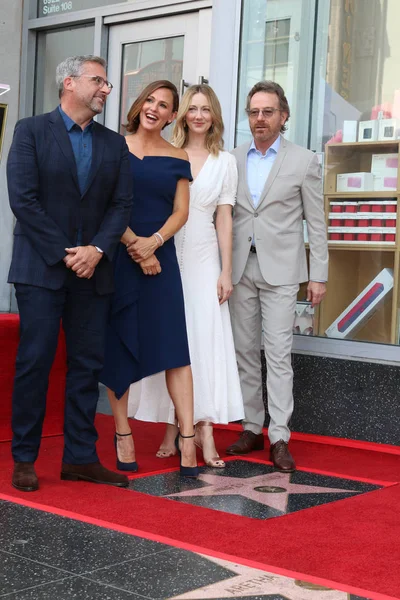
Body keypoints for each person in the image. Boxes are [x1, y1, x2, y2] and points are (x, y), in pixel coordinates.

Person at [7, 55, 133, 492]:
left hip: (93, 271)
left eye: (107, 83)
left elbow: (121, 206)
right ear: (69, 83)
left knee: (86, 366)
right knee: (35, 362)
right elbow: (23, 200)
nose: (105, 89)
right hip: (41, 268)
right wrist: (68, 254)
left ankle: (80, 458)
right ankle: (25, 457)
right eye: (98, 80)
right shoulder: (30, 131)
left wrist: (96, 249)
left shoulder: (114, 144)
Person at [128, 84, 244, 468]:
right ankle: (172, 424)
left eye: (204, 109)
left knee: (203, 342)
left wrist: (226, 270)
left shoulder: (225, 162)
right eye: (191, 108)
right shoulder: (167, 153)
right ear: (181, 115)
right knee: (172, 340)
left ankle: (204, 429)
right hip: (166, 253)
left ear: (214, 116)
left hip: (203, 256)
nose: (197, 115)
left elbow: (224, 217)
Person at [226, 81, 328, 472]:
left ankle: (280, 435)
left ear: (283, 116)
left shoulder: (304, 161)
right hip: (240, 269)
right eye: (254, 112)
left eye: (268, 112)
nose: (260, 119)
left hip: (283, 271)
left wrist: (317, 275)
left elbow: (316, 224)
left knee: (279, 354)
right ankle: (252, 427)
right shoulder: (231, 159)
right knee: (245, 352)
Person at [99, 80, 198, 478]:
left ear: (173, 115)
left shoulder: (177, 157)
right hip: (119, 256)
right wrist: (134, 246)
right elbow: (102, 204)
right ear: (139, 106)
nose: (155, 109)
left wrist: (153, 243)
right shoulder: (112, 148)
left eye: (164, 105)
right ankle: (122, 433)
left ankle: (187, 438)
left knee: (175, 349)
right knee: (118, 341)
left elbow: (181, 212)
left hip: (162, 259)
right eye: (150, 101)